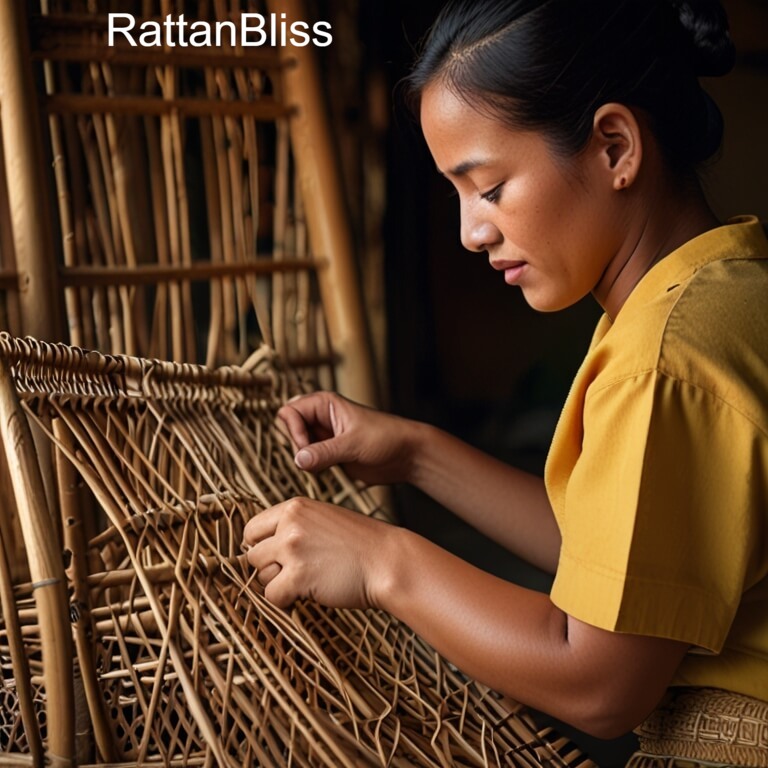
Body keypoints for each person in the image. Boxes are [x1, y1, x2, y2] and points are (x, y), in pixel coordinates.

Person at [244, 0, 768, 763]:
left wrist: (384, 562)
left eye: (488, 187)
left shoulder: (662, 360)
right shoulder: (725, 295)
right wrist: (416, 453)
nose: (470, 231)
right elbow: (625, 564)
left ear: (615, 147)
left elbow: (600, 682)